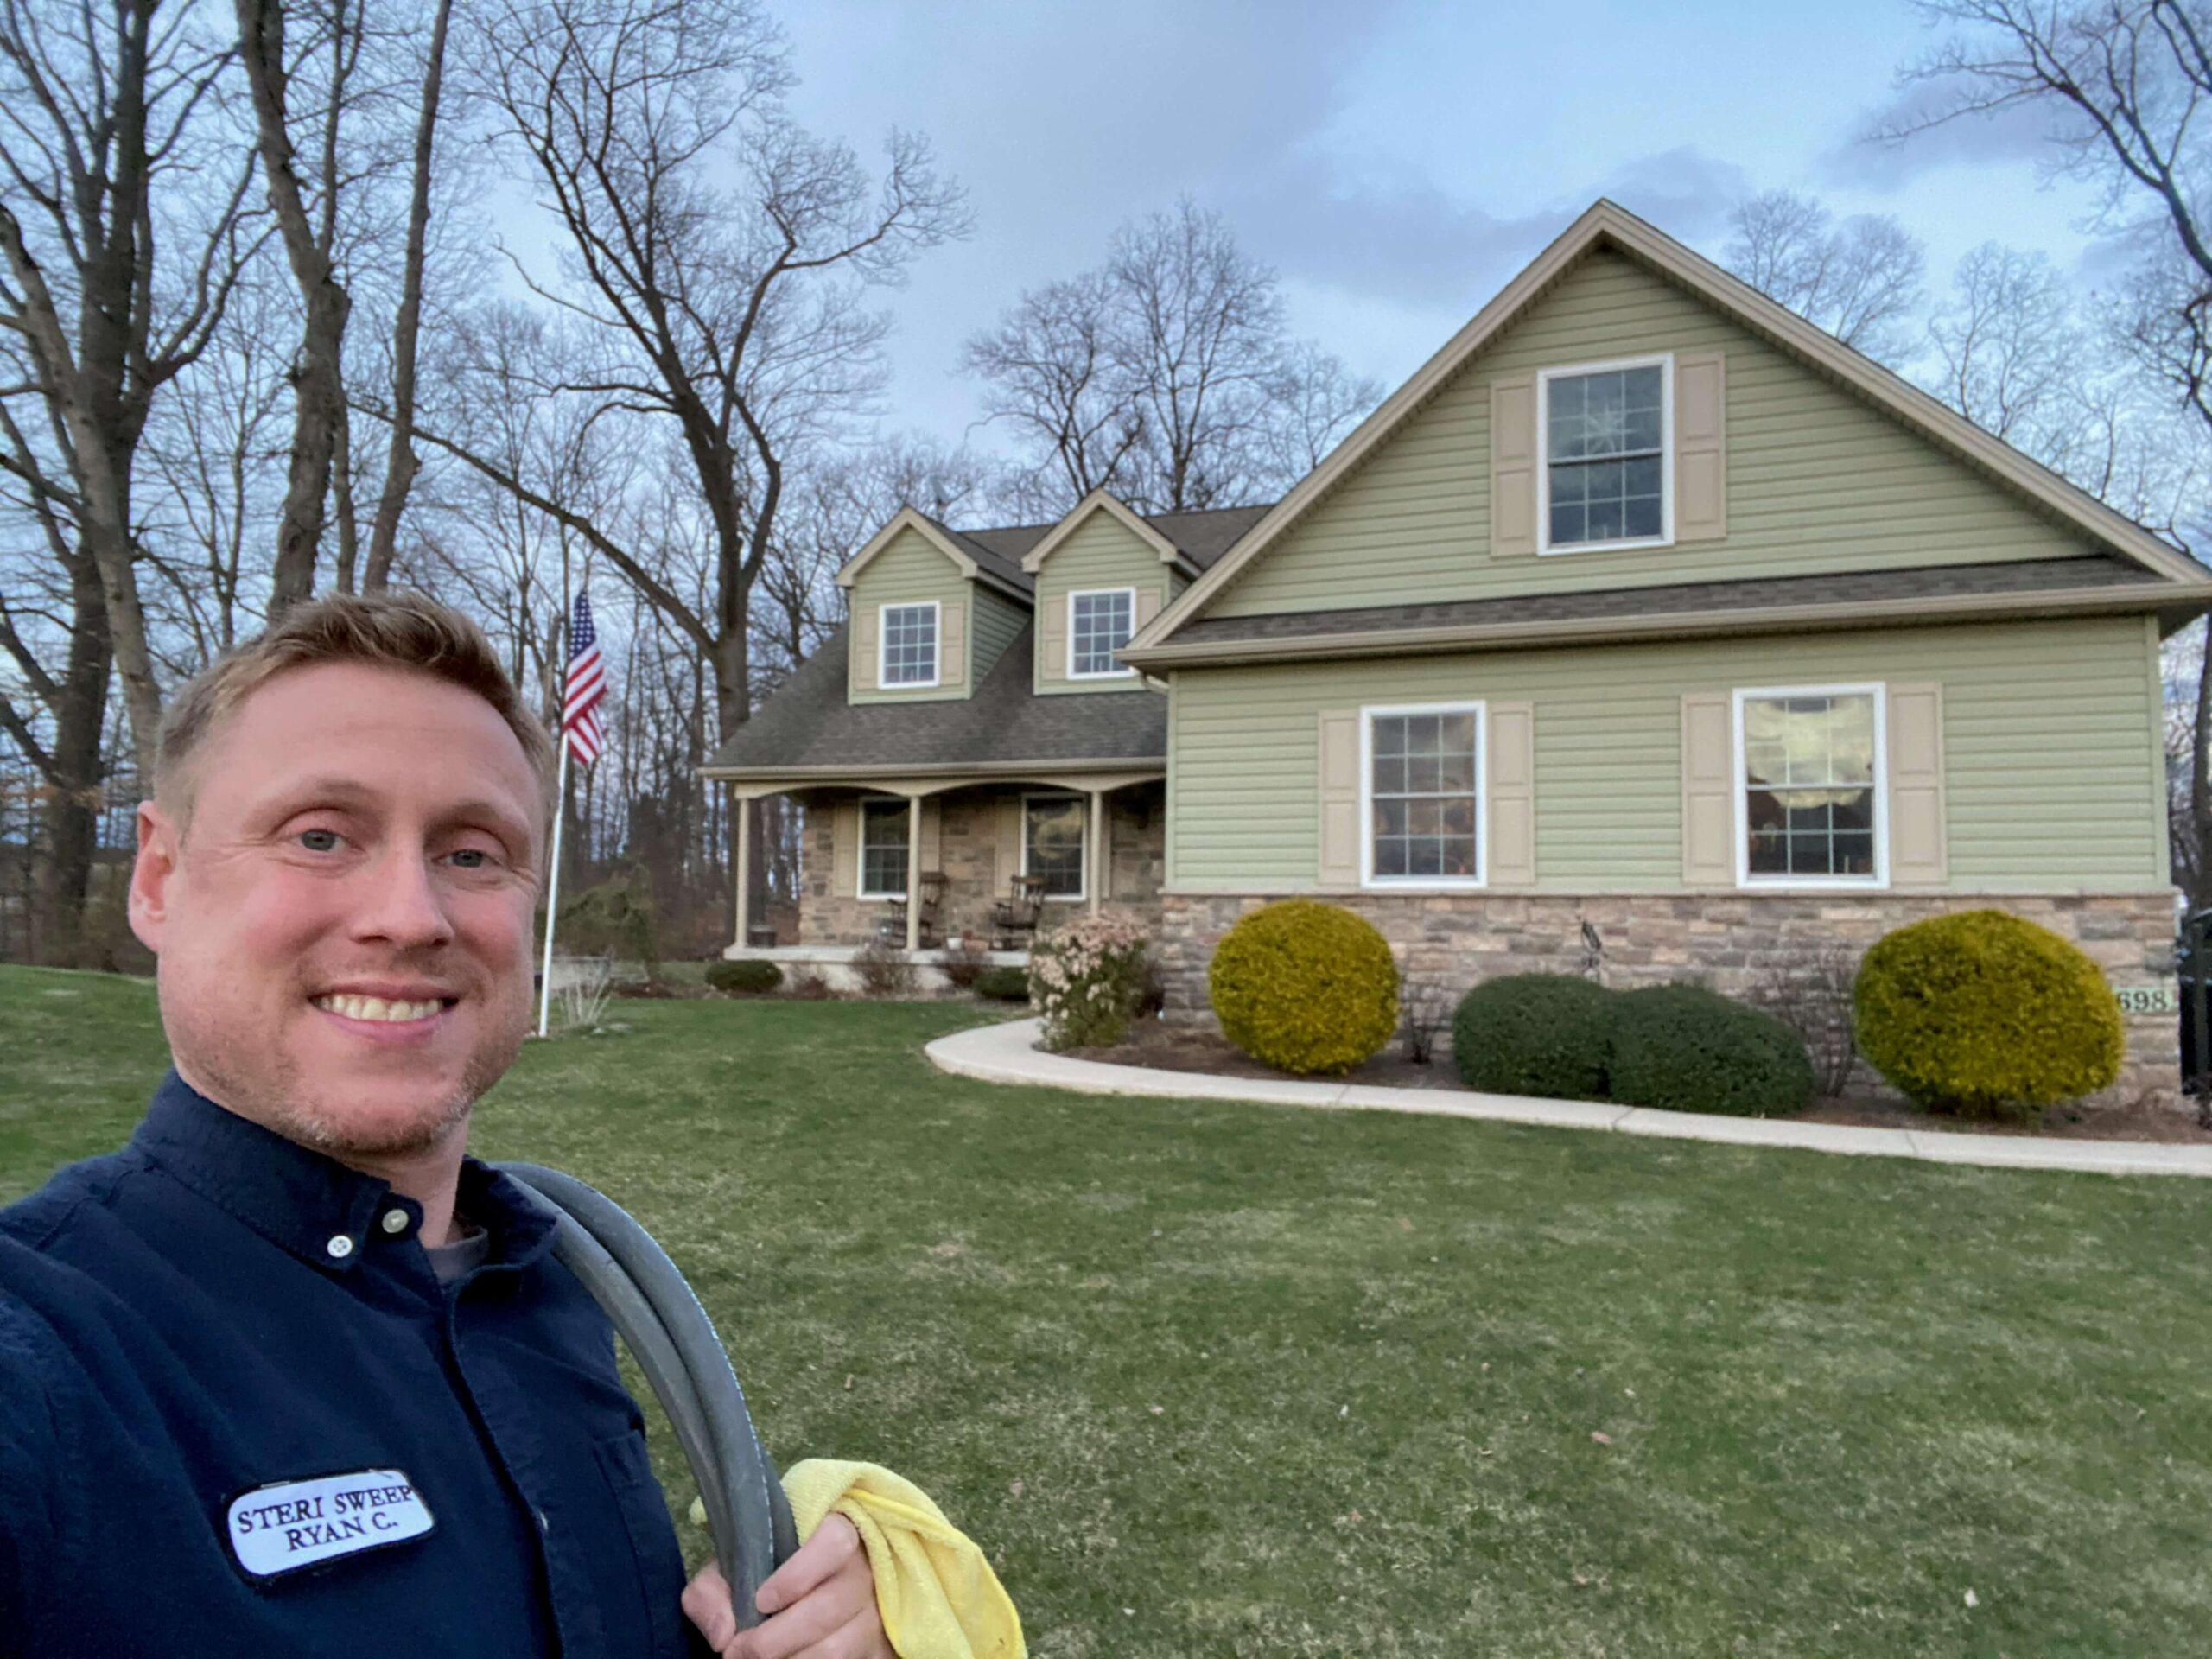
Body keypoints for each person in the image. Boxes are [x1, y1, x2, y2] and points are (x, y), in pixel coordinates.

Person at [0, 593, 893, 1658]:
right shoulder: (46, 1355)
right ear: (159, 876)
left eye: (472, 854)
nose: (413, 915)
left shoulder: (546, 1285)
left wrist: (816, 1615)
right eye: (321, 835)